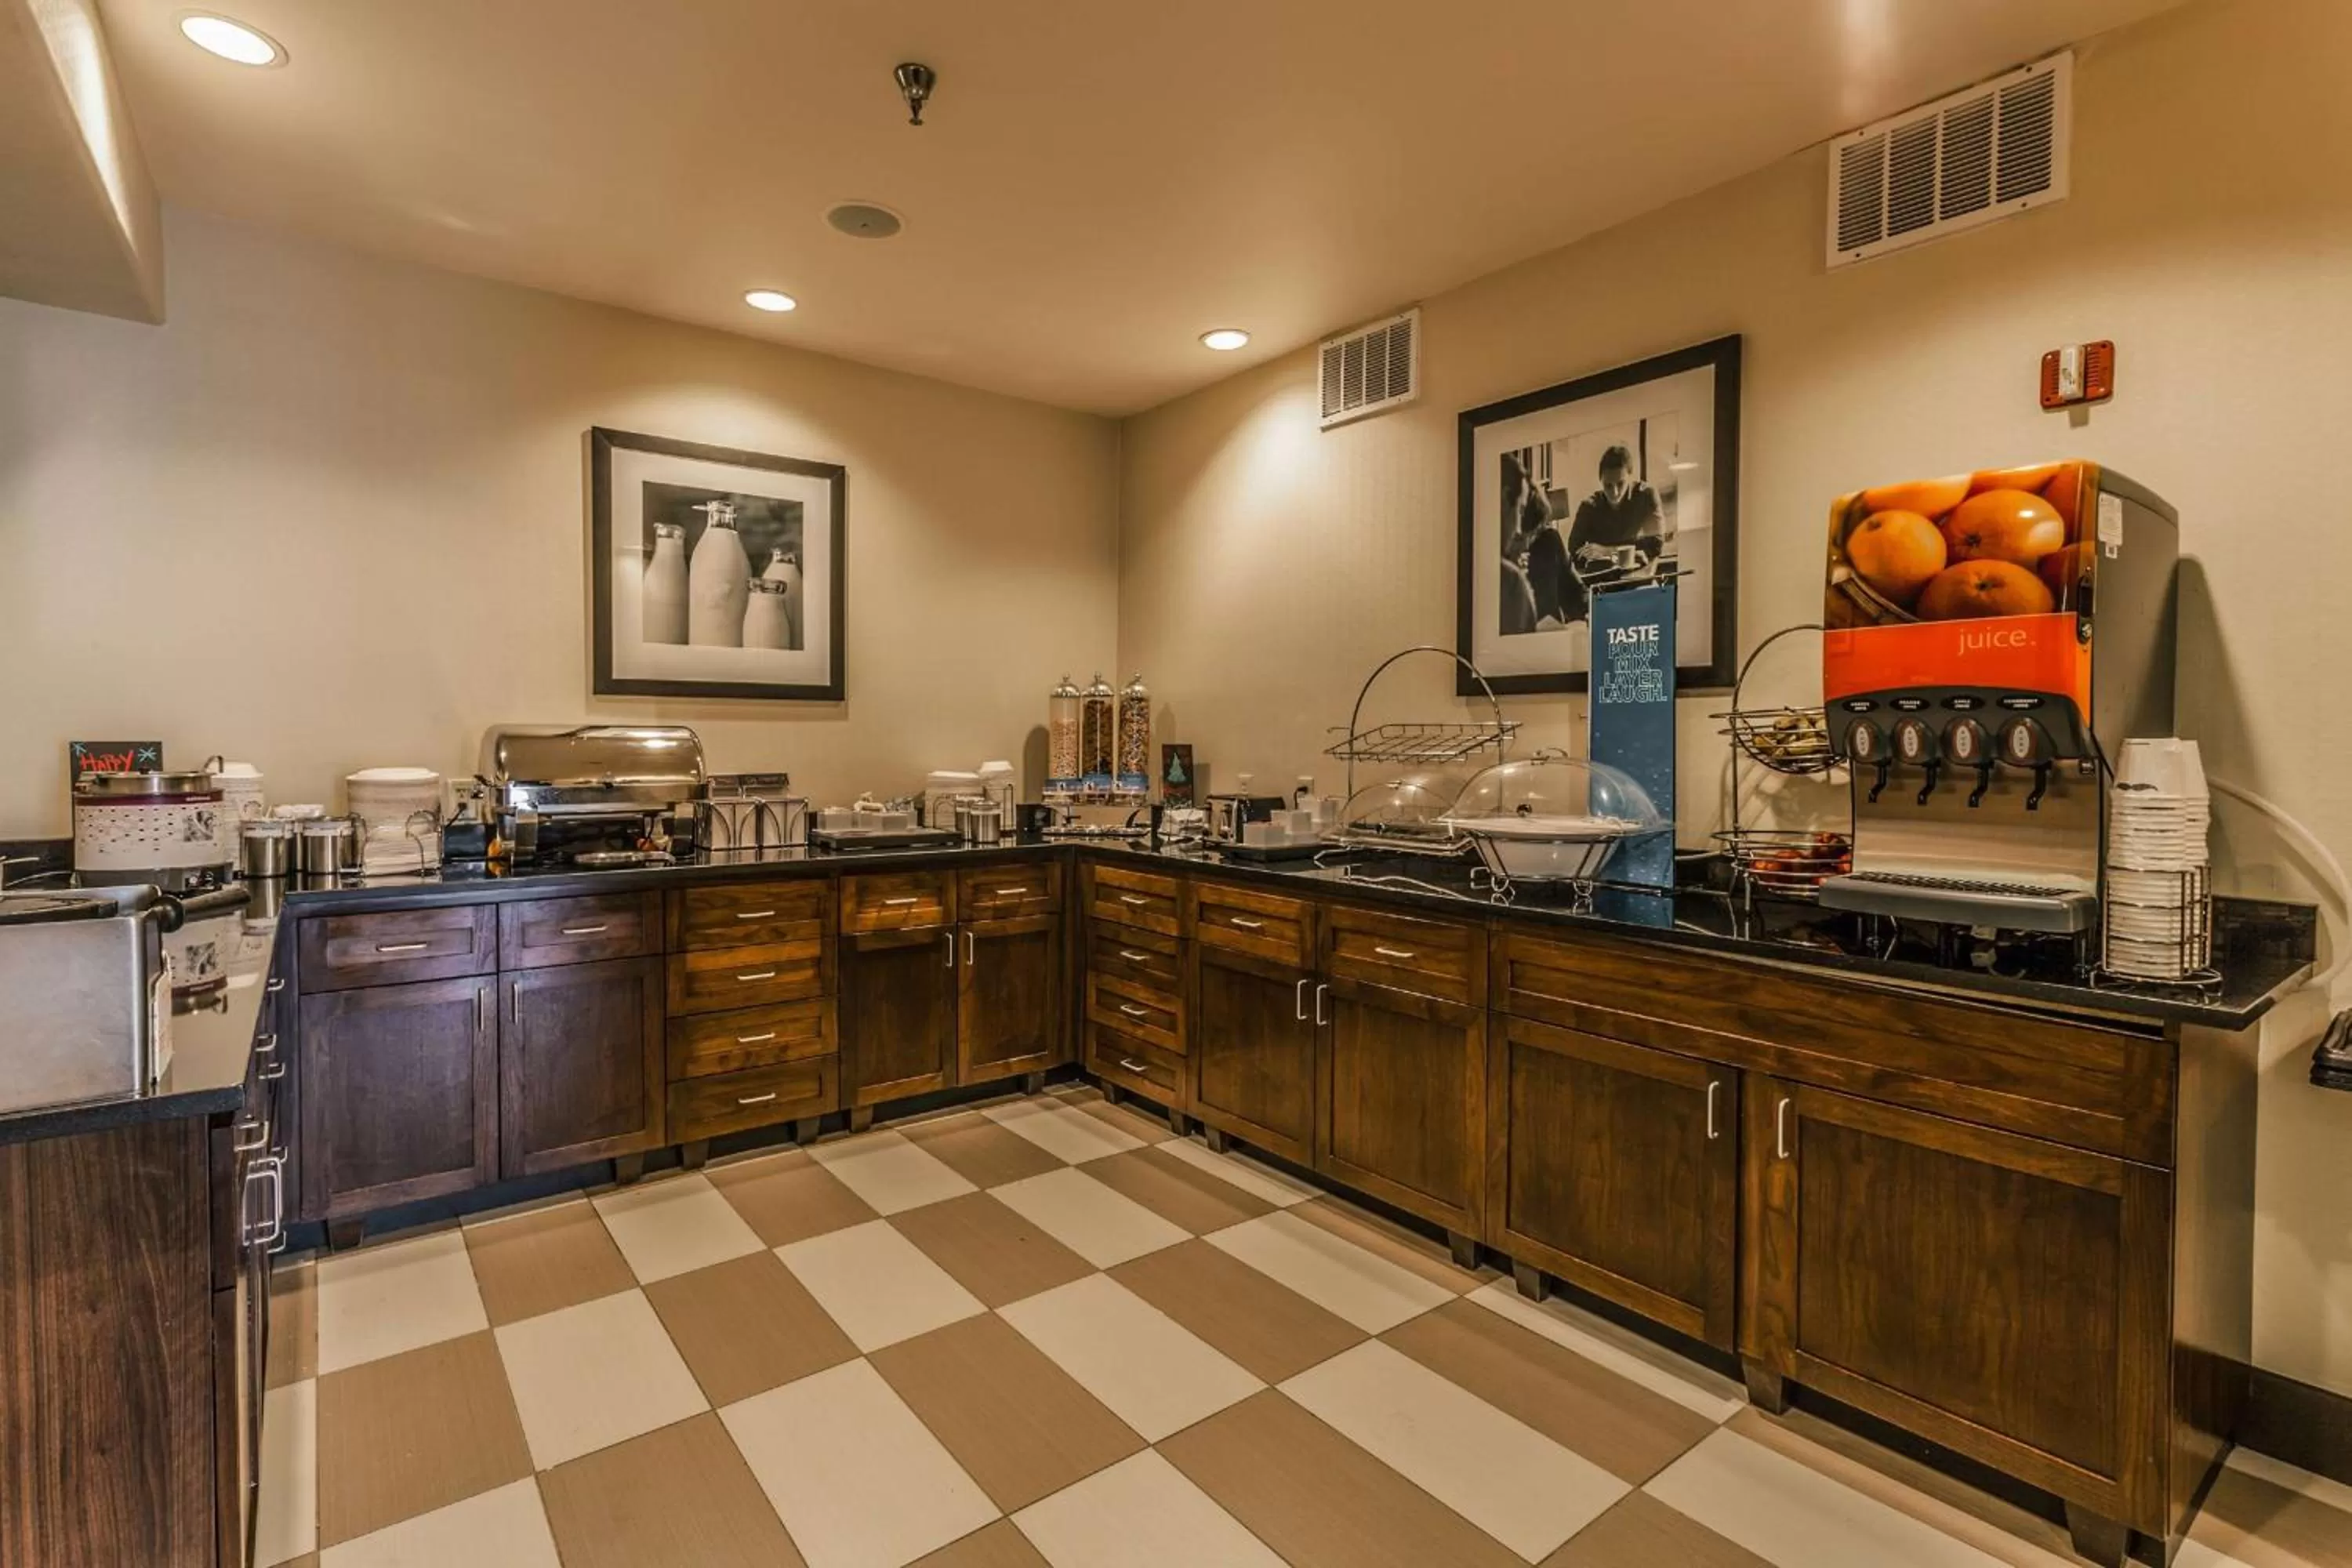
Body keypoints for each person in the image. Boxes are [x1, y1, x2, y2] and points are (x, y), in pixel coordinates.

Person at [1559, 444, 1665, 623]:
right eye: (1608, 486)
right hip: (1604, 589)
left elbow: (1656, 544)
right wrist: (1630, 551)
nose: (1614, 492)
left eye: (1621, 484)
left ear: (1631, 477)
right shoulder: (1589, 507)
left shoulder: (1646, 495)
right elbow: (1574, 550)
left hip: (1640, 583)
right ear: (1600, 481)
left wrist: (1607, 551)